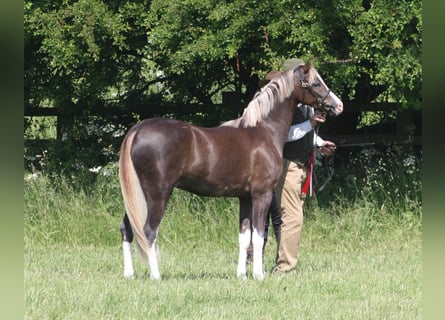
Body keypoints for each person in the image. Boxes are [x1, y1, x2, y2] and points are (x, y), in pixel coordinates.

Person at [272, 58, 337, 273]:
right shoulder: (283, 106)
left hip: (300, 166)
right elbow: (284, 136)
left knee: (293, 216)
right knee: (292, 217)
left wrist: (320, 144)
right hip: (288, 165)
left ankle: (285, 262)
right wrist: (311, 124)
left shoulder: (303, 103)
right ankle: (285, 267)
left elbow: (304, 134)